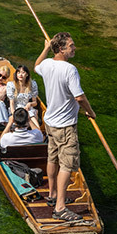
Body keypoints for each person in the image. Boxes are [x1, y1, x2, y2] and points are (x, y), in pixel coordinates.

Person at [35, 32, 95, 222]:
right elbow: (79, 97)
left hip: (50, 122)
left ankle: (52, 195)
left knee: (52, 158)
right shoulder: (70, 70)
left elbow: (36, 65)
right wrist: (90, 112)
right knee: (67, 165)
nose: (74, 48)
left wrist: (45, 48)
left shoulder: (46, 65)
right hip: (65, 126)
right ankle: (60, 208)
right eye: (71, 45)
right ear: (61, 49)